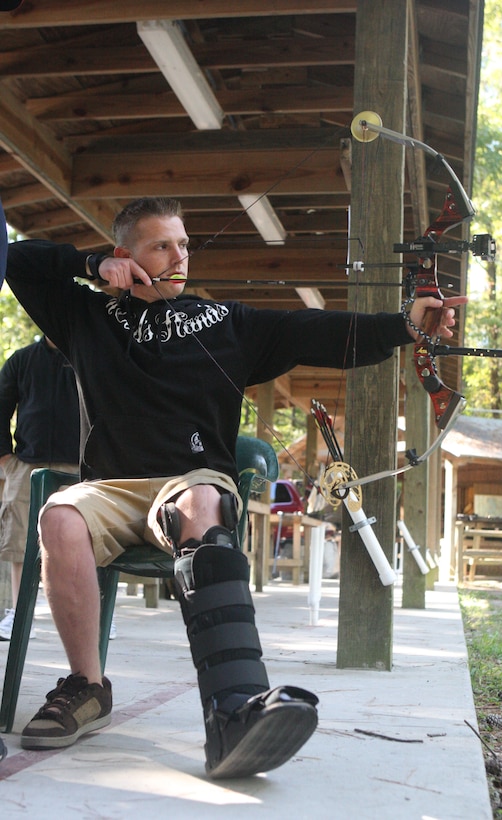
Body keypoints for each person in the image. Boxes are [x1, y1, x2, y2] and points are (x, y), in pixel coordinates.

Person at [6, 196, 466, 778]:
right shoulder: (83, 316)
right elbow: (15, 258)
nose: (180, 256)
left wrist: (405, 324)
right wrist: (94, 264)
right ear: (128, 255)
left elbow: (318, 332)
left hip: (190, 482)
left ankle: (234, 711)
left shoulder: (227, 322)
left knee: (200, 500)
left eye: (185, 244)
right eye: (162, 246)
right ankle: (86, 687)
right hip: (112, 488)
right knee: (57, 514)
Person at [0, 336, 80, 640]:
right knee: (19, 542)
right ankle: (21, 615)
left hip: (81, 467)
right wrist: (7, 460)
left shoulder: (89, 351)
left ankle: (97, 614)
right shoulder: (21, 360)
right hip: (26, 465)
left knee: (90, 540)